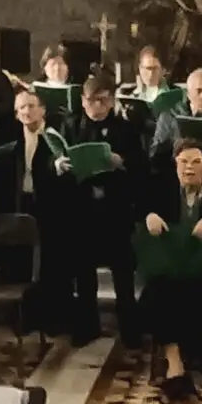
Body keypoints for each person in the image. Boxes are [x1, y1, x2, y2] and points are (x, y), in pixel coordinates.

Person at [138, 141, 202, 404]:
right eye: (183, 162)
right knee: (161, 289)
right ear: (175, 167)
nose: (189, 168)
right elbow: (140, 222)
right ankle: (175, 364)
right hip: (170, 270)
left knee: (191, 291)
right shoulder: (160, 192)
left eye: (196, 162)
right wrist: (149, 216)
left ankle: (178, 361)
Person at [64, 76, 145, 344]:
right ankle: (87, 327)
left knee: (122, 273)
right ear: (82, 101)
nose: (96, 106)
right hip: (82, 209)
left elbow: (140, 167)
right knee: (84, 274)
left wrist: (121, 161)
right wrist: (60, 165)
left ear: (111, 101)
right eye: (91, 100)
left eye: (102, 100)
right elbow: (59, 159)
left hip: (116, 209)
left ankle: (130, 329)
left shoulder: (126, 129)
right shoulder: (71, 126)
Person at [0, 89, 78, 334]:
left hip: (51, 207)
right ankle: (26, 319)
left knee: (52, 263)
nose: (26, 111)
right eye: (21, 107)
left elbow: (69, 175)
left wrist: (55, 169)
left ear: (43, 110)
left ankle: (54, 320)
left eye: (31, 106)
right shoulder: (13, 139)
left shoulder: (56, 136)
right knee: (22, 262)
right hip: (23, 204)